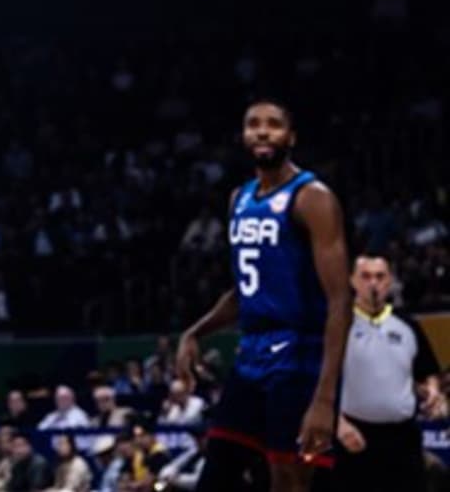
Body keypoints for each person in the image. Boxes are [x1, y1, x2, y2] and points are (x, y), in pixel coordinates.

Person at [176, 100, 352, 492]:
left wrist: (325, 399)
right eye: (253, 124)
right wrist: (195, 332)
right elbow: (245, 291)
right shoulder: (239, 198)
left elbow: (341, 301)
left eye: (273, 125)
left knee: (289, 481)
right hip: (252, 353)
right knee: (217, 475)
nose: (261, 131)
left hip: (299, 355)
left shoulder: (313, 198)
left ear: (291, 137)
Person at [332, 254, 444, 491]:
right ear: (352, 281)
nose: (373, 283)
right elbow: (318, 381)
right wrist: (338, 423)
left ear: (390, 281)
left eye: (380, 276)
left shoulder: (408, 325)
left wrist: (433, 391)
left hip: (403, 439)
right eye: (365, 276)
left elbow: (428, 372)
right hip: (353, 436)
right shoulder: (338, 325)